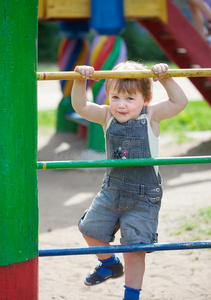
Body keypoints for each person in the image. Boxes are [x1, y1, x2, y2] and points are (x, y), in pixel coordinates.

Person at [71, 61, 188, 300]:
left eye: (129, 99)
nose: (121, 105)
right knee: (89, 230)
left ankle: (131, 295)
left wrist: (164, 78)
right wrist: (80, 80)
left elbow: (180, 102)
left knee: (135, 249)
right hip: (112, 190)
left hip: (144, 195)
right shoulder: (106, 116)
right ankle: (110, 264)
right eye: (115, 97)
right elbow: (81, 106)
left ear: (145, 99)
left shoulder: (152, 115)